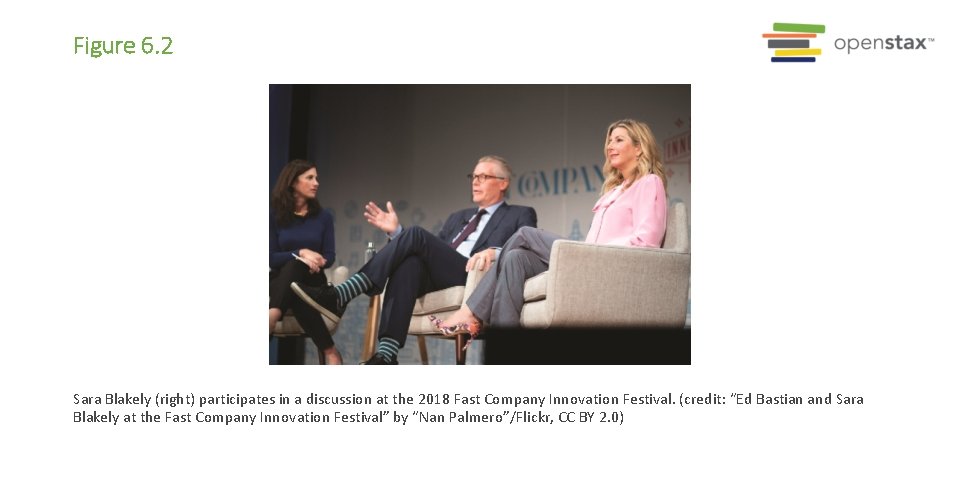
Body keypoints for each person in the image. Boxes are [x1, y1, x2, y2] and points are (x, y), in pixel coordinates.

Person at [434, 119, 668, 344]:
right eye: (609, 140)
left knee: (525, 233)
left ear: (639, 148)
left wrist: (600, 252)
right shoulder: (612, 191)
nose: (610, 146)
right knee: (516, 258)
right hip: (591, 260)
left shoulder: (649, 183)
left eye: (619, 140)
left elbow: (647, 242)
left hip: (605, 262)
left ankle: (470, 311)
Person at [291, 155, 537, 365]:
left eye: (483, 177)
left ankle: (343, 293)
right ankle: (387, 355)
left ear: (503, 183)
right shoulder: (458, 217)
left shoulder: (519, 213)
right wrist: (397, 234)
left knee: (416, 234)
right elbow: (432, 249)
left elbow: (525, 244)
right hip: (445, 273)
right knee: (410, 263)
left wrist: (494, 251)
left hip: (475, 275)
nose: (475, 182)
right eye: (473, 176)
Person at [269, 159, 342, 365]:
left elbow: (329, 256)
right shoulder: (274, 216)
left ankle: (271, 317)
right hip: (281, 279)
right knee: (295, 281)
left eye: (316, 178)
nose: (316, 182)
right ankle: (330, 351)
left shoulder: (324, 217)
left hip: (313, 280)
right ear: (293, 182)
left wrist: (315, 260)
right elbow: (271, 258)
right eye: (309, 178)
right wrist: (301, 252)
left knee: (297, 273)